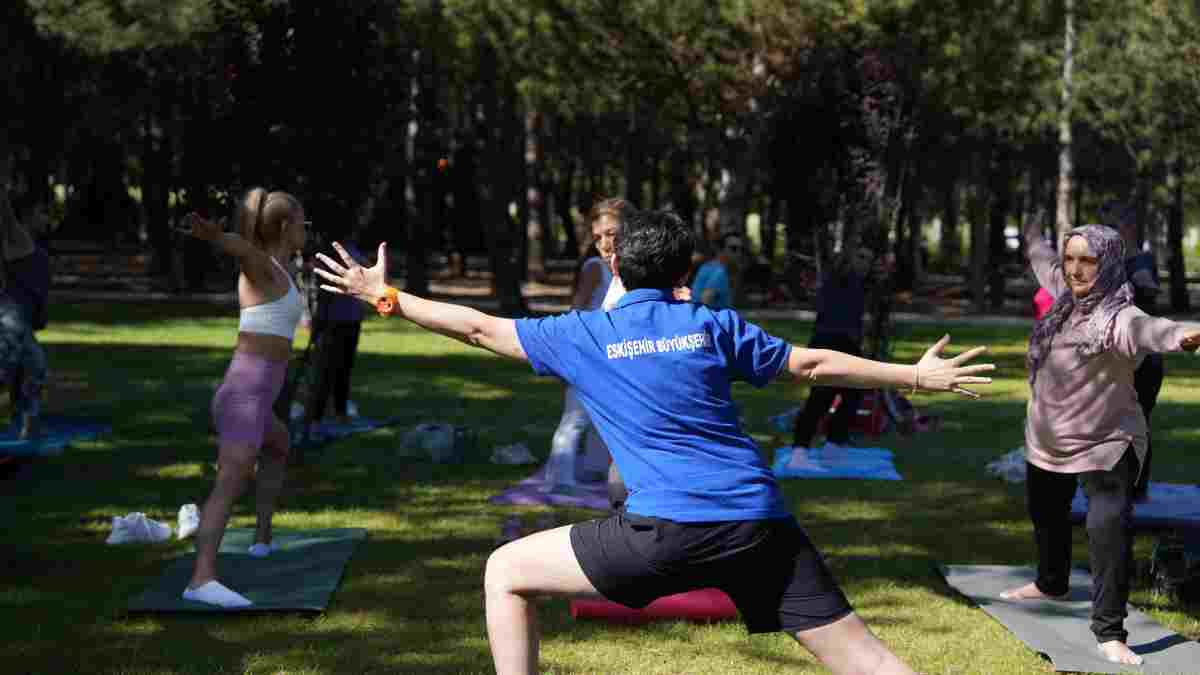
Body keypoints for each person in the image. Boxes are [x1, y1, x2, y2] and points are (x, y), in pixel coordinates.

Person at [316, 208, 995, 675]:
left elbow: (477, 328)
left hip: (663, 532)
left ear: (616, 266)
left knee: (505, 571)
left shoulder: (585, 334)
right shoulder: (711, 324)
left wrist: (386, 296)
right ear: (684, 273)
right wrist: (915, 375)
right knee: (868, 659)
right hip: (758, 525)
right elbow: (811, 364)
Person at [1001, 221, 1200, 666]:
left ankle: (1110, 633)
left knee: (1106, 534)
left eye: (1087, 260)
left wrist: (1186, 335)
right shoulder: (1064, 295)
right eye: (1070, 259)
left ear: (1108, 263)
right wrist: (1032, 236)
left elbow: (1155, 330)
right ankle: (1050, 583)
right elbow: (1043, 262)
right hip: (1047, 437)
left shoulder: (1119, 317)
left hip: (1106, 442)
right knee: (1046, 515)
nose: (1075, 269)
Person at [177, 188, 308, 608]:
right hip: (244, 399)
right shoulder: (262, 267)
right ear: (285, 227)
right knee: (228, 484)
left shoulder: (281, 270)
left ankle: (262, 539)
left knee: (279, 444)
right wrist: (216, 237)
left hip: (254, 399)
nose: (307, 229)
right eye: (302, 222)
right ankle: (201, 580)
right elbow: (242, 249)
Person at [541, 199, 628, 492]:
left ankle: (595, 467)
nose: (604, 243)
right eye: (598, 237)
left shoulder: (630, 272)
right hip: (587, 354)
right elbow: (575, 313)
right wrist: (565, 354)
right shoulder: (594, 267)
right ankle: (559, 478)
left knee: (606, 415)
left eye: (612, 234)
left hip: (617, 356)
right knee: (576, 417)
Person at [1101, 201, 1163, 501]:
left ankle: (1135, 487)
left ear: (1128, 229)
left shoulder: (1139, 262)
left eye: (1111, 227)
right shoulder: (1109, 265)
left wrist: (1140, 284)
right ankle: (1117, 485)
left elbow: (1146, 283)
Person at [791, 246, 876, 453]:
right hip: (828, 343)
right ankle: (801, 448)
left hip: (847, 345)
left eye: (869, 259)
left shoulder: (860, 285)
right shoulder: (839, 278)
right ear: (849, 258)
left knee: (852, 394)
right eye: (861, 257)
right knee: (822, 396)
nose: (866, 263)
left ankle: (833, 443)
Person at [303, 239, 368, 442]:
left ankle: (336, 414)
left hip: (346, 320)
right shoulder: (332, 253)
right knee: (328, 371)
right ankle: (318, 418)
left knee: (339, 370)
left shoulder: (349, 250)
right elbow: (319, 289)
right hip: (335, 320)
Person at [0, 194, 49, 440]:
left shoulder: (30, 245)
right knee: (7, 371)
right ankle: (24, 423)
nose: (46, 218)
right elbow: (6, 215)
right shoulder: (18, 241)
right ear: (27, 217)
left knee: (35, 369)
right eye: (41, 213)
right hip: (11, 321)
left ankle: (28, 425)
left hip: (21, 322)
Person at [690, 232, 741, 309]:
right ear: (722, 250)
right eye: (734, 248)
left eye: (741, 249)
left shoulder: (709, 266)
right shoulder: (720, 272)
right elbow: (704, 302)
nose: (739, 253)